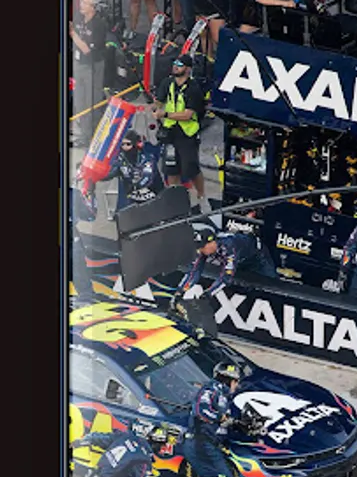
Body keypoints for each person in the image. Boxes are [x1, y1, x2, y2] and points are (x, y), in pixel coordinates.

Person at [151, 54, 210, 212]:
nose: (175, 66)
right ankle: (175, 202)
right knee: (171, 168)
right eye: (175, 63)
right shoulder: (167, 83)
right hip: (169, 132)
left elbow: (187, 115)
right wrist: (155, 106)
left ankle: (202, 197)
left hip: (187, 134)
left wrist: (165, 114)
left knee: (192, 168)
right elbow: (159, 102)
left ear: (188, 69)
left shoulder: (193, 89)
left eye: (180, 64)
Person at [182, 362, 242, 477]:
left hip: (208, 444)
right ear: (229, 380)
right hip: (200, 443)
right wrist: (221, 418)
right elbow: (201, 411)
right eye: (236, 381)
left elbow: (223, 423)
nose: (237, 385)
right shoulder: (210, 389)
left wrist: (238, 424)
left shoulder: (224, 395)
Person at [173, 225, 276, 301]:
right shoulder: (205, 249)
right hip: (241, 260)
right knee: (241, 286)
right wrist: (181, 291)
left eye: (202, 247)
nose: (200, 250)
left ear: (212, 242)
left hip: (259, 257)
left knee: (272, 286)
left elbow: (226, 278)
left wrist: (208, 294)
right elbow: (194, 271)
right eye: (199, 247)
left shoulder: (229, 246)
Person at [70, 0, 107, 145]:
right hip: (78, 64)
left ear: (94, 7)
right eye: (82, 1)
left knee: (92, 102)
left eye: (86, 3)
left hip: (93, 66)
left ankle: (94, 136)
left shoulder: (99, 25)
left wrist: (73, 34)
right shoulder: (78, 18)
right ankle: (85, 135)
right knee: (79, 101)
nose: (81, 5)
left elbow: (86, 49)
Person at [100, 129, 163, 213]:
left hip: (152, 200)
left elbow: (147, 179)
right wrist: (95, 175)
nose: (125, 147)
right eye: (122, 144)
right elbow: (110, 173)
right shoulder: (121, 160)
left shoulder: (147, 159)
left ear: (135, 144)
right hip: (132, 202)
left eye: (128, 144)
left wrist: (133, 182)